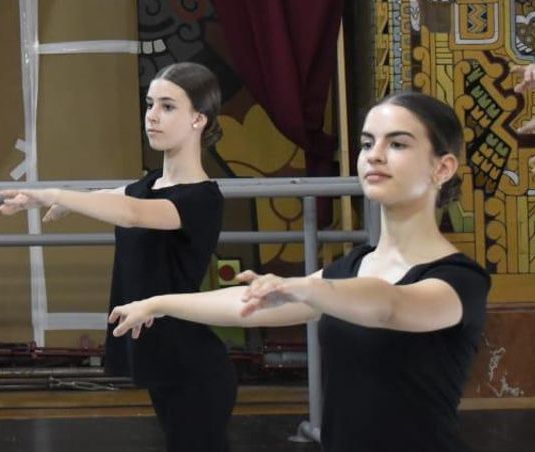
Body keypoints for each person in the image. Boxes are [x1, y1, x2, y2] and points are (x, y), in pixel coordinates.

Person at [108, 91, 491, 452]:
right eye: (367, 143)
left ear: (443, 167)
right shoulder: (354, 266)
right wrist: (160, 303)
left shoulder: (459, 279)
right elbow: (253, 303)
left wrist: (306, 289)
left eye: (398, 144)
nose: (375, 155)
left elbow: (389, 306)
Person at [0, 62, 233, 452]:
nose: (152, 116)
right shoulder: (149, 185)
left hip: (193, 365)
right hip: (165, 362)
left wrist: (56, 194)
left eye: (168, 107)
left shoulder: (201, 199)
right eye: (150, 104)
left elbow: (134, 213)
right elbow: (121, 195)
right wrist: (72, 204)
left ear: (198, 119)